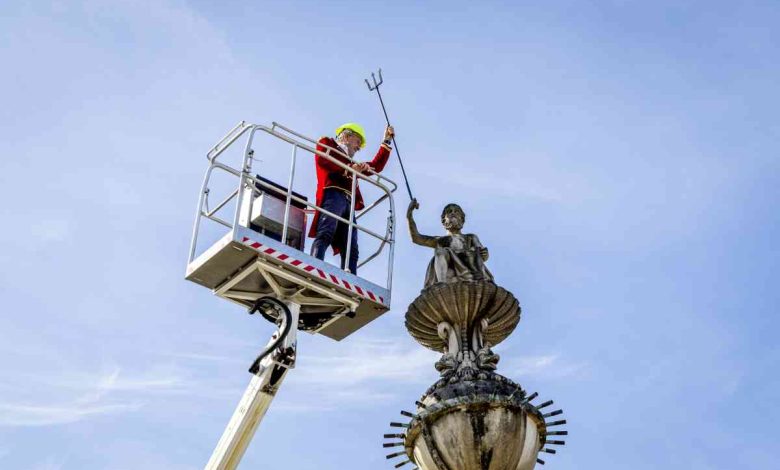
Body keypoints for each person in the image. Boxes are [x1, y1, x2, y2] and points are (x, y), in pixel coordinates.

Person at [309, 122, 395, 274]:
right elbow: (323, 160)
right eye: (358, 141)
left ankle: (350, 277)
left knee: (351, 247)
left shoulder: (352, 163)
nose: (359, 147)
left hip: (348, 201)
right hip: (333, 195)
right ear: (347, 137)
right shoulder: (327, 143)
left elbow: (376, 166)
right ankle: (315, 267)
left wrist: (386, 141)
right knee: (326, 232)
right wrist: (349, 169)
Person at [407, 199, 494, 288]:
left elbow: (481, 255)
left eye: (456, 212)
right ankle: (441, 284)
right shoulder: (441, 240)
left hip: (471, 269)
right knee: (441, 251)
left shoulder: (471, 237)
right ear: (444, 221)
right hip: (450, 269)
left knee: (473, 251)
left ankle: (478, 280)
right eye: (449, 212)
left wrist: (484, 254)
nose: (453, 213)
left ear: (462, 219)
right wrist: (409, 216)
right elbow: (417, 238)